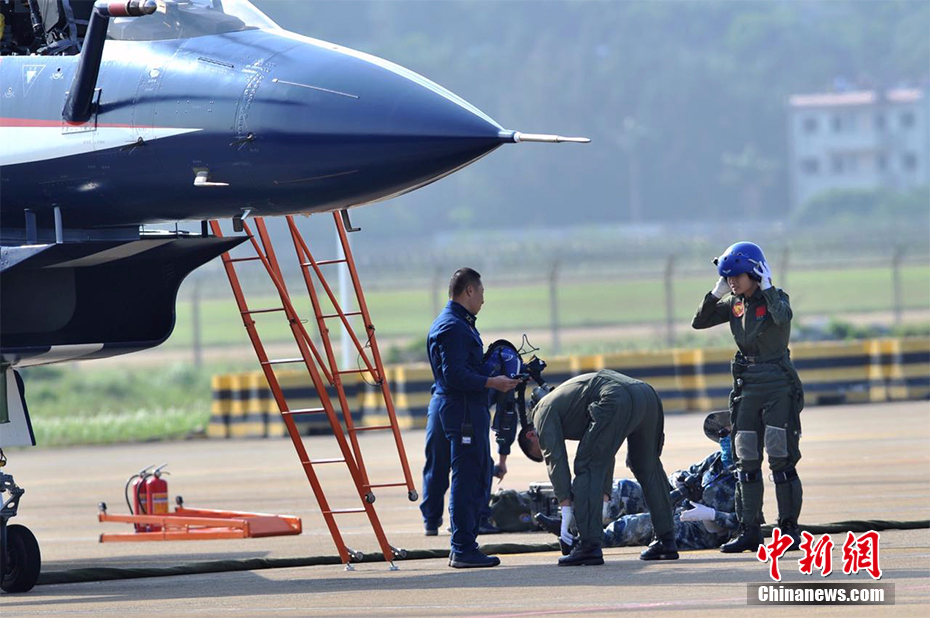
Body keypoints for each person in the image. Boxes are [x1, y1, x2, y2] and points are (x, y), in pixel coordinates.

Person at [692, 241, 805, 553]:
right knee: (746, 460)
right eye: (728, 277)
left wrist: (767, 287)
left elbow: (782, 317)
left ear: (754, 272)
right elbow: (699, 321)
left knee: (781, 458)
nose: (732, 282)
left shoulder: (776, 298)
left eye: (736, 276)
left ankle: (788, 531)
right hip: (747, 385)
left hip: (777, 383)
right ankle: (750, 529)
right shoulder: (734, 303)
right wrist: (717, 290)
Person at [518, 370, 678, 566]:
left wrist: (565, 507)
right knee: (648, 466)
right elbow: (604, 451)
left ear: (531, 436)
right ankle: (666, 540)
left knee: (586, 466)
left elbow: (556, 459)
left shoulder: (541, 412)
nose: (544, 446)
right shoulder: (569, 403)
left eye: (539, 448)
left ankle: (589, 546)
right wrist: (604, 495)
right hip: (646, 393)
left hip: (615, 396)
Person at [419, 268, 520, 568]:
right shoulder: (453, 328)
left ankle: (465, 544)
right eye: (482, 293)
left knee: (472, 474)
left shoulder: (456, 324)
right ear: (469, 291)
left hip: (462, 408)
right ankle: (462, 547)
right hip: (463, 410)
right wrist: (493, 382)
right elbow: (454, 375)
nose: (483, 301)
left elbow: (462, 368)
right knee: (467, 476)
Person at [536, 410, 739, 551]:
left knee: (639, 523)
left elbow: (745, 522)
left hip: (699, 531)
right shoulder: (715, 460)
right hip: (680, 504)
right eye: (723, 434)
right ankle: (570, 524)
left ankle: (583, 543)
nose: (724, 439)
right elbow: (688, 473)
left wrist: (712, 514)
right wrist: (679, 479)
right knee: (625, 490)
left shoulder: (746, 476)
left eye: (729, 434)